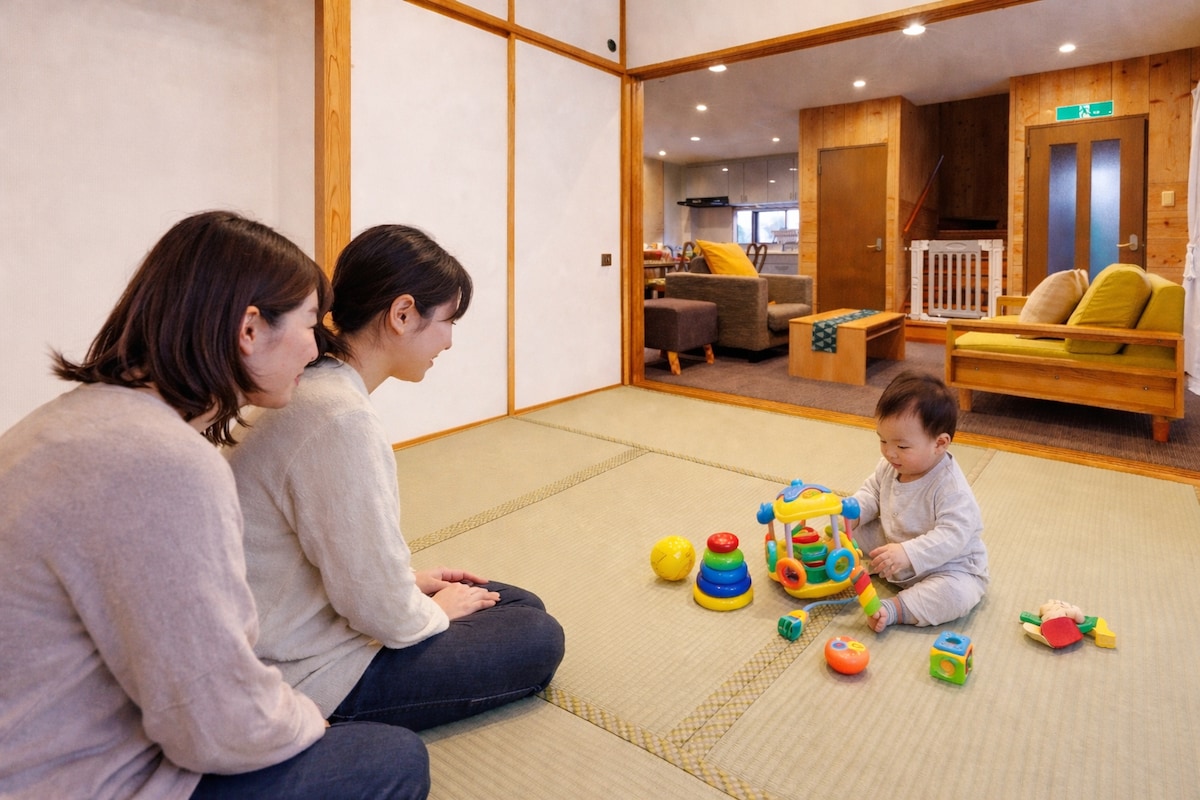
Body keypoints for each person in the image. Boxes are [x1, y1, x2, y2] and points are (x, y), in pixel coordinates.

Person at [0, 211, 429, 800]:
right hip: (71, 775)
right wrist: (301, 718)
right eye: (309, 323)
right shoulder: (165, 463)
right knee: (392, 760)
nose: (316, 346)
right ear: (249, 328)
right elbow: (214, 721)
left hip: (44, 739)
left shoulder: (73, 419)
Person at [226, 223, 565, 732]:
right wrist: (430, 611)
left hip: (287, 625)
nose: (449, 341)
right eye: (448, 321)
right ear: (402, 314)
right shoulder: (338, 417)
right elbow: (379, 609)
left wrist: (407, 583)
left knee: (517, 604)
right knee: (537, 636)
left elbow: (341, 561)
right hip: (300, 672)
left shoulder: (314, 388)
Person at [849, 370, 989, 632]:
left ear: (939, 444)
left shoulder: (952, 488)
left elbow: (952, 536)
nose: (889, 452)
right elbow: (872, 493)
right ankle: (837, 556)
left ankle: (895, 609)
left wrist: (908, 553)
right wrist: (853, 513)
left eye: (902, 446)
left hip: (947, 566)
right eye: (882, 440)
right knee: (848, 529)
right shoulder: (890, 464)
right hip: (893, 542)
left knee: (956, 595)